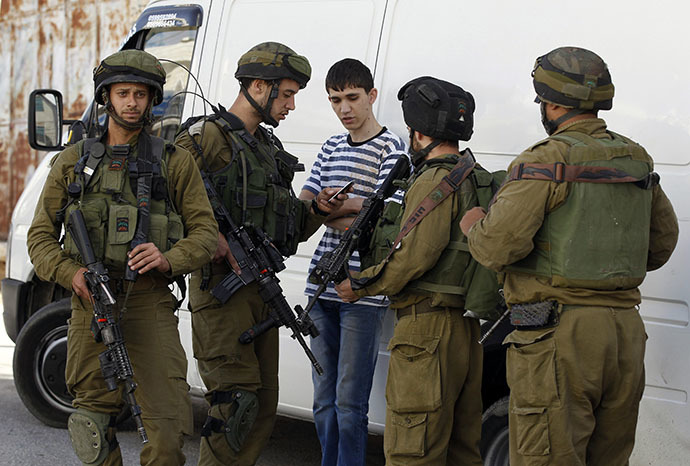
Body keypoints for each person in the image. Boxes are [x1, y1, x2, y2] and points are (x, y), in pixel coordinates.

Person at [460, 46, 679, 465]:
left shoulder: (545, 159)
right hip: (624, 336)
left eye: (542, 99)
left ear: (555, 102)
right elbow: (662, 244)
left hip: (561, 336)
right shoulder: (635, 158)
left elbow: (497, 246)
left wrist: (474, 224)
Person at [27, 49, 218, 465]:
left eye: (140, 94)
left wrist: (168, 258)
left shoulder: (174, 162)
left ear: (152, 100)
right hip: (89, 306)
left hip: (149, 303)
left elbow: (206, 234)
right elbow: (40, 236)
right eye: (123, 93)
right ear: (107, 98)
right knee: (91, 429)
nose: (132, 102)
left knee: (167, 432)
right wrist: (70, 273)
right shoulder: (73, 162)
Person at [175, 42, 346, 465]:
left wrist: (318, 211)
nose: (290, 105)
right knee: (234, 408)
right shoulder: (205, 138)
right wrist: (207, 236)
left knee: (262, 409)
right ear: (257, 86)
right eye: (286, 94)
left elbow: (284, 229)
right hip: (222, 295)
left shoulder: (266, 149)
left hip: (261, 291)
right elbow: (161, 202)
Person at [336, 76, 483, 465]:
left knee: (411, 451)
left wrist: (362, 285)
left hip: (426, 329)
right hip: (465, 330)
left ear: (417, 132)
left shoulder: (434, 179)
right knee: (460, 450)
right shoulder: (471, 174)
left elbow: (416, 254)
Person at [298, 58, 408, 466]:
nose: (344, 108)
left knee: (349, 401)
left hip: (362, 289)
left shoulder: (393, 148)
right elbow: (307, 204)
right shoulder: (330, 146)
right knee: (323, 400)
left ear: (371, 96)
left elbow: (382, 215)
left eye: (351, 98)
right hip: (319, 285)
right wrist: (341, 209)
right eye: (334, 100)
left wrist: (337, 209)